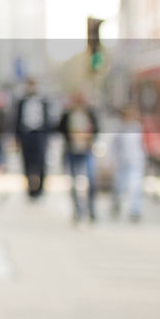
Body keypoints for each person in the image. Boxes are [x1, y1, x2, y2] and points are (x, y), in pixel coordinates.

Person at [57, 89, 100, 223]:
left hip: (86, 150)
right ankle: (78, 211)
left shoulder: (90, 113)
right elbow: (59, 128)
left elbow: (97, 129)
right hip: (72, 151)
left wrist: (89, 137)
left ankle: (91, 210)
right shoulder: (68, 114)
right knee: (75, 183)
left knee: (91, 181)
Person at [14, 78, 50, 199]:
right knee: (27, 163)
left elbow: (48, 121)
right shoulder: (22, 102)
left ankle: (40, 188)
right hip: (26, 134)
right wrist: (16, 137)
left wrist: (47, 137)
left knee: (41, 163)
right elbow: (16, 120)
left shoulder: (43, 101)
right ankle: (30, 188)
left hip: (39, 135)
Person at [110, 104, 146, 221]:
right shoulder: (119, 129)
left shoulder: (137, 127)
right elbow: (114, 146)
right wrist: (114, 159)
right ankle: (116, 202)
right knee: (119, 186)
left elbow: (142, 144)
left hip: (136, 161)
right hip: (122, 162)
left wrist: (144, 158)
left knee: (136, 186)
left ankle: (135, 210)